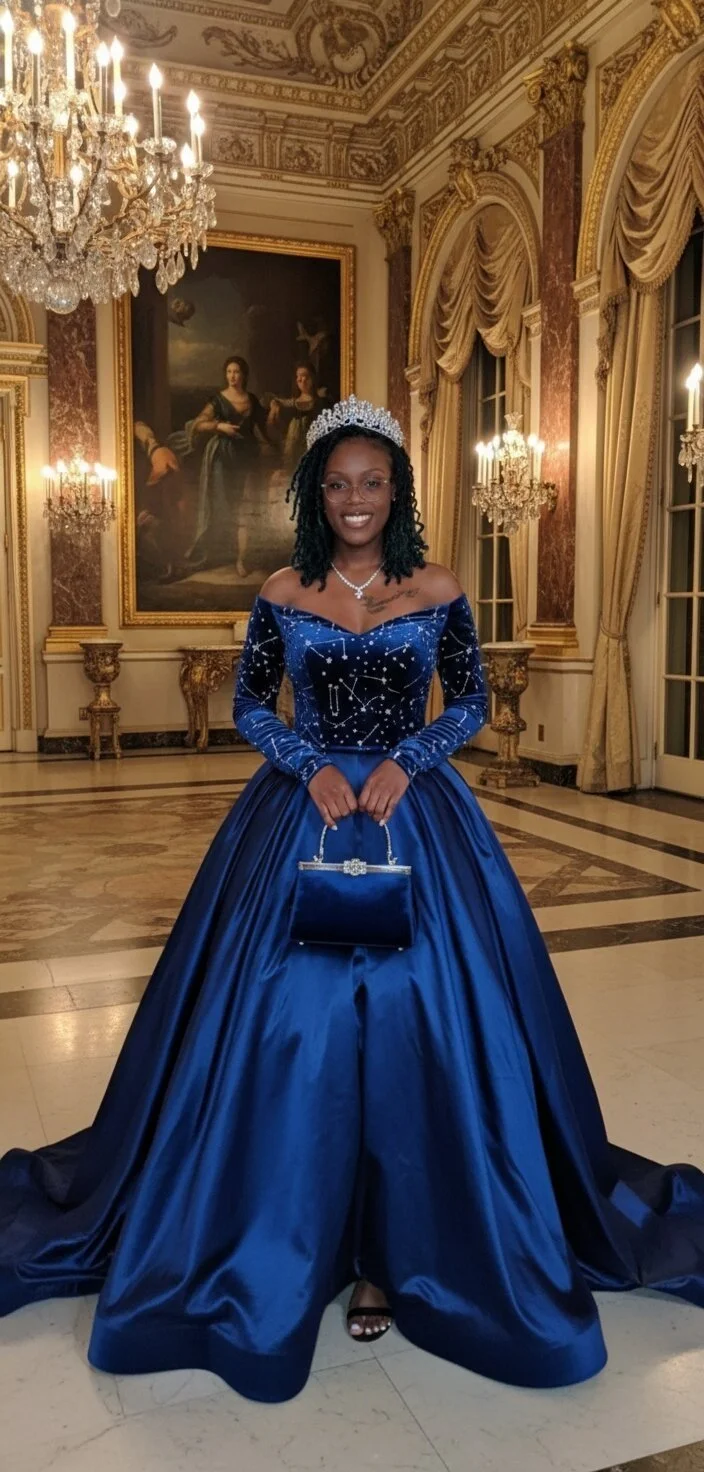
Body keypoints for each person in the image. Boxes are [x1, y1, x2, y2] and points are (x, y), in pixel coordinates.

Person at [1, 396, 704, 1405]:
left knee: (426, 1028)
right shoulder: (284, 586)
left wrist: (409, 762)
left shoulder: (439, 587)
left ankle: (399, 1247)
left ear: (396, 491)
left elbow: (462, 700)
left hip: (417, 818)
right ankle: (291, 1233)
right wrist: (304, 762)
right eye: (336, 482)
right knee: (293, 1030)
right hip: (300, 818)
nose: (355, 498)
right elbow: (250, 700)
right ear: (313, 494)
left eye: (371, 481)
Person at [182, 354, 271, 578]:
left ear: (244, 375)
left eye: (237, 372)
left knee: (246, 507)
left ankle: (242, 558)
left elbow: (264, 426)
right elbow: (198, 424)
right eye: (229, 372)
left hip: (247, 458)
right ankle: (220, 554)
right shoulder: (218, 400)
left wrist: (276, 408)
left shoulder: (251, 399)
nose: (232, 376)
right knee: (223, 503)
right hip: (222, 457)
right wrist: (220, 426)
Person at [267, 361, 331, 469]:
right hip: (292, 454)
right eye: (298, 376)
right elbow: (275, 429)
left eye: (305, 376)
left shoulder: (322, 403)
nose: (301, 379)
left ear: (312, 378)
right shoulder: (289, 405)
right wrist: (274, 408)